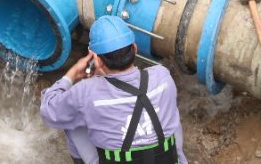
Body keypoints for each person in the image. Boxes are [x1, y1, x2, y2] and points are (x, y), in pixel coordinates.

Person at [41, 16, 188, 164]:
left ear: (97, 60)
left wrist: (72, 74)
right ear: (135, 48)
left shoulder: (86, 91)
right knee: (170, 110)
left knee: (70, 118)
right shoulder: (162, 75)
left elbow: (48, 111)